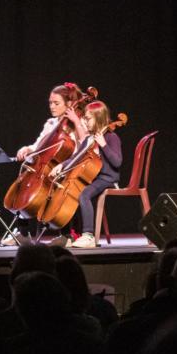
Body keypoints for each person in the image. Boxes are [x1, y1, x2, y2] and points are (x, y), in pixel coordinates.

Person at [5, 83, 83, 245]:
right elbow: (39, 146)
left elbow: (81, 150)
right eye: (50, 103)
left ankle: (67, 234)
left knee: (59, 187)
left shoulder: (77, 125)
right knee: (25, 184)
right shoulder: (50, 124)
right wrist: (28, 148)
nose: (52, 106)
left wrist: (76, 123)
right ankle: (23, 232)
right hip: (48, 167)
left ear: (69, 104)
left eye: (56, 103)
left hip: (69, 167)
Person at [48, 101, 122, 248]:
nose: (84, 122)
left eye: (88, 118)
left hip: (107, 178)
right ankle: (69, 235)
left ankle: (88, 235)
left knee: (84, 194)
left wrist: (103, 145)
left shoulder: (111, 137)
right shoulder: (89, 139)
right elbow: (76, 158)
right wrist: (62, 165)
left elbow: (117, 162)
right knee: (71, 193)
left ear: (99, 118)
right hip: (93, 177)